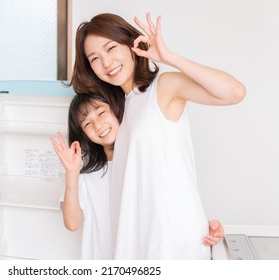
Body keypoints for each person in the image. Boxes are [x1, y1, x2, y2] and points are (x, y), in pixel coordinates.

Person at [69, 12, 245, 259]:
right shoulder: (123, 111)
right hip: (141, 242)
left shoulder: (162, 88)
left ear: (131, 44)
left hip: (172, 242)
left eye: (111, 48)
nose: (107, 62)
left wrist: (170, 57)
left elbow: (234, 92)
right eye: (95, 58)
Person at [51, 93, 225, 260]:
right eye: (87, 124)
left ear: (118, 109)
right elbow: (72, 223)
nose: (97, 125)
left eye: (102, 113)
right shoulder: (86, 167)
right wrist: (72, 174)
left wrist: (202, 226)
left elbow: (169, 205)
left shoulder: (145, 156)